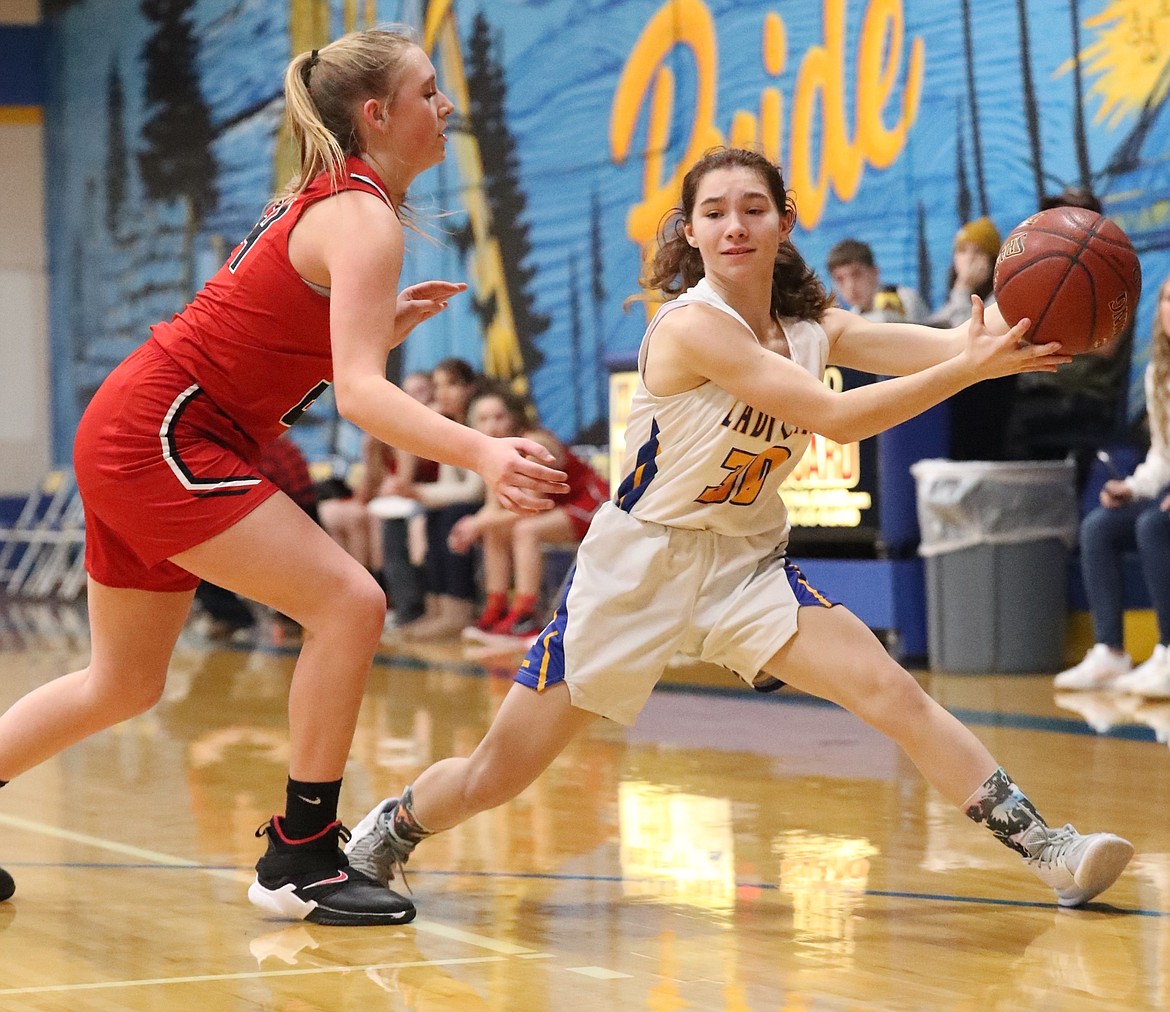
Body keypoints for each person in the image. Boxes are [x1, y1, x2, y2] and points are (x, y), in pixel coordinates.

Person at [344, 147, 1133, 910]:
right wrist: (969, 367)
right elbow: (836, 416)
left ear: (784, 221)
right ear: (689, 230)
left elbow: (948, 342)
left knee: (892, 692)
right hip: (636, 570)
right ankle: (391, 828)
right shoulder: (692, 327)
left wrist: (1010, 334)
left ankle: (1050, 850)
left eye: (753, 209)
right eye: (714, 212)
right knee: (495, 776)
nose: (734, 227)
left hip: (745, 567)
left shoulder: (816, 325)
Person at [0, 28, 568, 921]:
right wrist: (486, 450)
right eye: (429, 92)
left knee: (123, 684)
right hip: (165, 433)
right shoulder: (363, 216)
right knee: (351, 601)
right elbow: (362, 401)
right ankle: (299, 858)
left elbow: (281, 340)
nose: (446, 106)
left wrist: (378, 334)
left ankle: (299, 857)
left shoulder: (339, 201)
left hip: (143, 424)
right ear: (377, 114)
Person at [1054, 273, 1170, 696]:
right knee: (1100, 525)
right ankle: (1110, 651)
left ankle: (1168, 651)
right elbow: (1162, 455)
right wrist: (1135, 488)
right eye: (1167, 300)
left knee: (1154, 528)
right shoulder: (1159, 373)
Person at [450, 385, 609, 638]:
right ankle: (496, 609)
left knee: (526, 530)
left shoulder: (533, 443)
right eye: (483, 419)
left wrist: (476, 524)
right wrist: (473, 524)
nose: (491, 425)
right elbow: (495, 509)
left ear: (514, 417)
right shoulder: (495, 452)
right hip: (556, 507)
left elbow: (529, 508)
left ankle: (525, 616)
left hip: (591, 504)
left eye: (499, 417)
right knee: (494, 531)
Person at [1004, 186, 1134, 485]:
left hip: (1081, 400)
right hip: (1036, 395)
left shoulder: (1115, 274)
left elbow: (1105, 346)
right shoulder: (1044, 274)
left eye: (1064, 217)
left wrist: (1041, 331)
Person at [388, 358, 488, 639]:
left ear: (471, 387)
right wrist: (417, 494)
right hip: (474, 501)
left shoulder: (479, 417)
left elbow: (473, 491)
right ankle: (437, 608)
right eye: (438, 386)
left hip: (496, 502)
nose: (443, 393)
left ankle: (458, 610)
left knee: (455, 515)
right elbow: (447, 485)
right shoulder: (452, 423)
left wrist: (417, 492)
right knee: (436, 515)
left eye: (452, 385)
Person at [195, 432, 322, 639]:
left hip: (286, 526)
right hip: (301, 525)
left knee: (197, 551)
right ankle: (286, 616)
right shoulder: (284, 447)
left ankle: (231, 616)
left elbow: (248, 498)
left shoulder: (262, 454)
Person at [317, 371, 435, 581]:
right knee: (334, 513)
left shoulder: (422, 429)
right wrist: (370, 452)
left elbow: (403, 485)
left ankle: (375, 583)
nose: (413, 399)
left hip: (421, 497)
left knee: (370, 516)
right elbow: (364, 493)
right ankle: (348, 581)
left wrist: (381, 488)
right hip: (395, 497)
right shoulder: (382, 435)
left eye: (421, 392)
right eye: (407, 393)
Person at [925, 217, 1016, 460]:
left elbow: (971, 337)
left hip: (993, 397)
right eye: (963, 252)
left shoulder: (1004, 300)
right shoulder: (955, 298)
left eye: (978, 252)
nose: (969, 260)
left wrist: (964, 287)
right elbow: (937, 328)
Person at [826, 238, 928, 323]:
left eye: (856, 275)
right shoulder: (853, 316)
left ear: (875, 272)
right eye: (840, 279)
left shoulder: (902, 298)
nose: (850, 286)